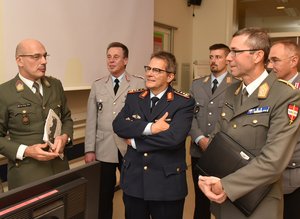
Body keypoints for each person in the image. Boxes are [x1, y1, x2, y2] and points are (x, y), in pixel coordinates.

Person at [198, 27, 300, 219]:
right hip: (222, 201)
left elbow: (274, 162)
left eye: (236, 51)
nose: (228, 58)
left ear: (257, 56)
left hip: (258, 205)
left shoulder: (285, 96)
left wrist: (226, 186)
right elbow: (217, 141)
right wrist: (205, 178)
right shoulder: (231, 91)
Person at [112, 51, 195, 219]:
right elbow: (118, 126)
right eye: (148, 68)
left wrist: (135, 142)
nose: (149, 73)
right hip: (135, 182)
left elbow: (174, 138)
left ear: (170, 76)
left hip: (166, 185)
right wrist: (151, 128)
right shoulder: (134, 98)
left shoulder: (183, 102)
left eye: (157, 70)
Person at [0, 39, 73, 189]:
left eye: (45, 56)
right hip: (27, 175)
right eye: (36, 57)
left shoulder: (55, 85)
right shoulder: (4, 93)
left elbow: (66, 118)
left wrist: (64, 137)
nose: (44, 61)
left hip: (60, 169)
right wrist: (26, 151)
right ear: (20, 60)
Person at [84, 42, 145, 219]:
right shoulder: (98, 85)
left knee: (131, 194)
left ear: (125, 60)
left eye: (116, 57)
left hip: (129, 147)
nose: (111, 61)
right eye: (109, 57)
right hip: (104, 147)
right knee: (103, 195)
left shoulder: (138, 83)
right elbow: (91, 119)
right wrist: (89, 149)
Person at [189, 43, 239, 219]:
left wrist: (212, 143)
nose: (213, 60)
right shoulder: (197, 85)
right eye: (211, 57)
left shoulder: (236, 85)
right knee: (201, 201)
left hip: (222, 153)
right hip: (198, 151)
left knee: (222, 199)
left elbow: (234, 120)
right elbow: (189, 116)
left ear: (227, 59)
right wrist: (200, 139)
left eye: (218, 57)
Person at [267, 40, 300, 219]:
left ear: (293, 61)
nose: (270, 66)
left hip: (294, 173)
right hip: (270, 172)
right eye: (269, 60)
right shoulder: (270, 88)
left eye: (275, 60)